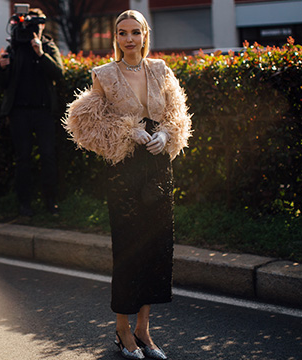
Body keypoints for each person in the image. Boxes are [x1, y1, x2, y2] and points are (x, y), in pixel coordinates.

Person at [63, 10, 192, 360]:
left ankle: (144, 329)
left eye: (135, 32)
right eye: (122, 33)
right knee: (129, 248)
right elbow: (87, 120)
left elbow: (176, 111)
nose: (129, 39)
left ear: (145, 34)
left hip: (158, 164)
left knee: (156, 247)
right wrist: (126, 130)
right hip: (124, 168)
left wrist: (166, 134)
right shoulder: (104, 75)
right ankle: (122, 329)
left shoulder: (161, 69)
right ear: (116, 37)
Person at [0, 8, 64, 217]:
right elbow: (3, 84)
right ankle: (24, 204)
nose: (33, 29)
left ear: (43, 25)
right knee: (23, 158)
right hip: (20, 113)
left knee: (48, 157)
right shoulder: (15, 47)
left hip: (43, 111)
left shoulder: (48, 45)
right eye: (29, 25)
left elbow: (58, 73)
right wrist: (2, 68)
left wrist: (41, 53)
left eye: (37, 25)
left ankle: (51, 202)